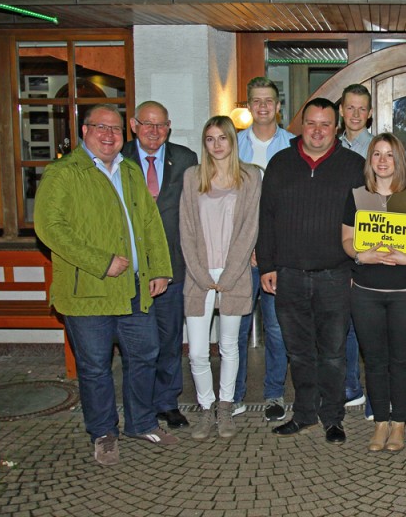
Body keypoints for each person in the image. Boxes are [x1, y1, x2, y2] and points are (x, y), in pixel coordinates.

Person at [34, 104, 175, 466]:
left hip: (134, 289)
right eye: (101, 127)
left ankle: (141, 422)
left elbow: (149, 223)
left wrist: (160, 268)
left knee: (145, 355)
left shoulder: (129, 171)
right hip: (89, 293)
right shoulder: (63, 173)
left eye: (115, 129)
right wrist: (101, 261)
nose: (109, 135)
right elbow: (50, 228)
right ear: (84, 131)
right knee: (95, 367)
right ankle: (103, 432)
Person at [258, 97, 365, 444]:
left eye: (325, 124)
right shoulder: (280, 163)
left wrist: (357, 266)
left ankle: (332, 417)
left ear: (336, 127)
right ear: (300, 126)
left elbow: (363, 221)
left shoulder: (354, 165)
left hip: (337, 276)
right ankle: (304, 413)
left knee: (334, 353)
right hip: (288, 275)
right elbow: (267, 218)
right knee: (299, 351)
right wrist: (268, 265)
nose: (317, 131)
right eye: (311, 123)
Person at [341, 134, 406, 452]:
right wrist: (359, 255)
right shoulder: (356, 196)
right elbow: (346, 240)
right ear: (370, 160)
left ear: (399, 160)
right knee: (375, 360)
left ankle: (399, 423)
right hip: (366, 291)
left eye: (389, 155)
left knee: (400, 359)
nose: (382, 160)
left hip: (405, 291)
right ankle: (380, 421)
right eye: (377, 154)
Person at [179, 117, 262, 440]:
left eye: (222, 138)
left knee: (230, 346)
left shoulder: (250, 177)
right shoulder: (192, 178)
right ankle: (205, 408)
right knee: (198, 351)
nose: (216, 145)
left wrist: (230, 273)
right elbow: (185, 229)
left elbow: (249, 229)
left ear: (231, 141)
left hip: (235, 273)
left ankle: (225, 408)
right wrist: (200, 273)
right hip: (198, 275)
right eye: (210, 139)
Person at [122, 100, 198, 431]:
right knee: (138, 345)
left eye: (161, 125)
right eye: (147, 124)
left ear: (169, 127)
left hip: (173, 266)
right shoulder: (116, 158)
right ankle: (140, 407)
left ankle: (168, 402)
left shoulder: (185, 159)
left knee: (169, 341)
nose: (154, 131)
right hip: (131, 269)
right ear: (133, 125)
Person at [235, 77, 293, 423]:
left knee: (276, 329)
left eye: (268, 100)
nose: (262, 107)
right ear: (248, 106)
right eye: (256, 101)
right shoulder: (231, 145)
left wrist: (268, 249)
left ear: (278, 105)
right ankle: (235, 394)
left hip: (277, 257)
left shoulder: (293, 147)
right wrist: (248, 247)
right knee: (238, 328)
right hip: (239, 258)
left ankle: (274, 393)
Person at [338, 83, 374, 413]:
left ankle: (376, 392)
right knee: (344, 323)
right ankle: (351, 385)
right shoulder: (329, 144)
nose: (356, 114)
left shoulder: (379, 149)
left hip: (370, 247)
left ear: (370, 113)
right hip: (339, 245)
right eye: (351, 108)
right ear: (341, 110)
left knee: (371, 324)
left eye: (362, 109)